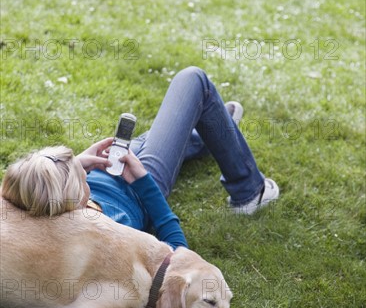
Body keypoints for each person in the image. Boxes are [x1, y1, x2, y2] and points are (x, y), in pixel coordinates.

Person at [1, 67, 279, 250]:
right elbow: (177, 252)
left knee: (184, 120)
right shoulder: (110, 230)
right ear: (74, 198)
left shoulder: (45, 204)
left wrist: (82, 163)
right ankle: (249, 191)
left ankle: (207, 128)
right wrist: (145, 181)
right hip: (140, 182)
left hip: (116, 165)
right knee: (194, 82)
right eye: (77, 176)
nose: (81, 170)